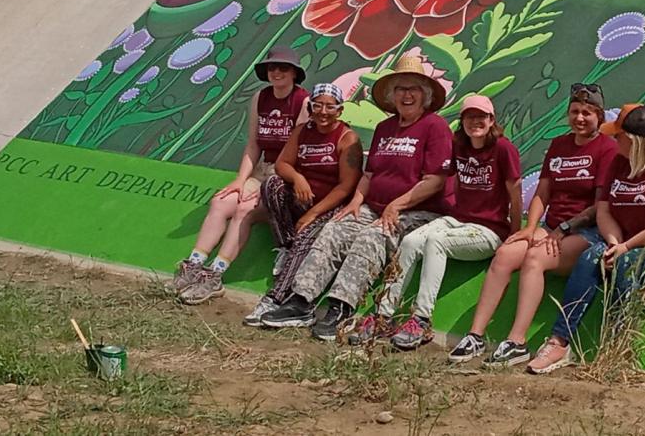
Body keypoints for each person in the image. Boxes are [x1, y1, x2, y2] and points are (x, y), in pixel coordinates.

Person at [259, 54, 453, 341]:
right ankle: (301, 301)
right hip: (375, 206)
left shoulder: (435, 127)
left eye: (413, 89)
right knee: (334, 228)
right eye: (400, 88)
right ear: (392, 94)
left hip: (416, 211)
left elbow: (435, 181)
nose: (406, 95)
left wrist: (396, 205)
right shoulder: (384, 129)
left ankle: (341, 307)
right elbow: (369, 175)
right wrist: (354, 203)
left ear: (425, 95)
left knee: (371, 238)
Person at [525, 104, 645, 374]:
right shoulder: (619, 161)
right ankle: (559, 342)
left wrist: (626, 247)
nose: (613, 141)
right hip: (626, 241)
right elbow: (604, 210)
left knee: (627, 262)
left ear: (635, 141)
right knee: (591, 256)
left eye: (618, 136)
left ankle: (616, 349)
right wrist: (615, 243)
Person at [448, 84, 618, 367]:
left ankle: (517, 342)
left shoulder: (607, 149)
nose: (580, 118)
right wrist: (529, 227)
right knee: (505, 253)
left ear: (599, 116)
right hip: (552, 227)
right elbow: (543, 191)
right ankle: (475, 335)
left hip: (585, 232)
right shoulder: (559, 145)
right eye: (575, 111)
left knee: (535, 258)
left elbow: (599, 207)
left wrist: (563, 228)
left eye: (587, 113)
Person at [348, 95, 522, 350]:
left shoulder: (503, 148)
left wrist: (515, 233)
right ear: (461, 121)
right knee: (410, 240)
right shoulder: (458, 145)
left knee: (435, 241)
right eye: (469, 116)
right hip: (459, 220)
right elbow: (446, 179)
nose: (476, 122)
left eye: (481, 117)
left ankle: (421, 319)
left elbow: (515, 192)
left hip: (489, 230)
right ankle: (383, 315)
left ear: (491, 120)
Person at [167, 47, 309, 304]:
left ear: (294, 74)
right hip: (261, 168)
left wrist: (265, 184)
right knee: (221, 201)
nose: (276, 72)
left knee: (244, 209)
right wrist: (241, 180)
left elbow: (297, 152)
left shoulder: (303, 102)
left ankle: (215, 275)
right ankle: (193, 266)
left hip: (283, 177)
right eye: (271, 67)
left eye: (283, 68)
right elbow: (253, 144)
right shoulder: (260, 98)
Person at [242, 83, 364, 326]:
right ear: (310, 107)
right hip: (303, 198)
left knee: (306, 236)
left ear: (340, 111)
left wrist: (314, 213)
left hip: (330, 206)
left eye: (330, 106)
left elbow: (346, 186)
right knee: (273, 185)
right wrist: (298, 178)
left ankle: (275, 299)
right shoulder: (301, 131)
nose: (323, 111)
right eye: (317, 105)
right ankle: (287, 246)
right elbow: (282, 164)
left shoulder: (347, 139)